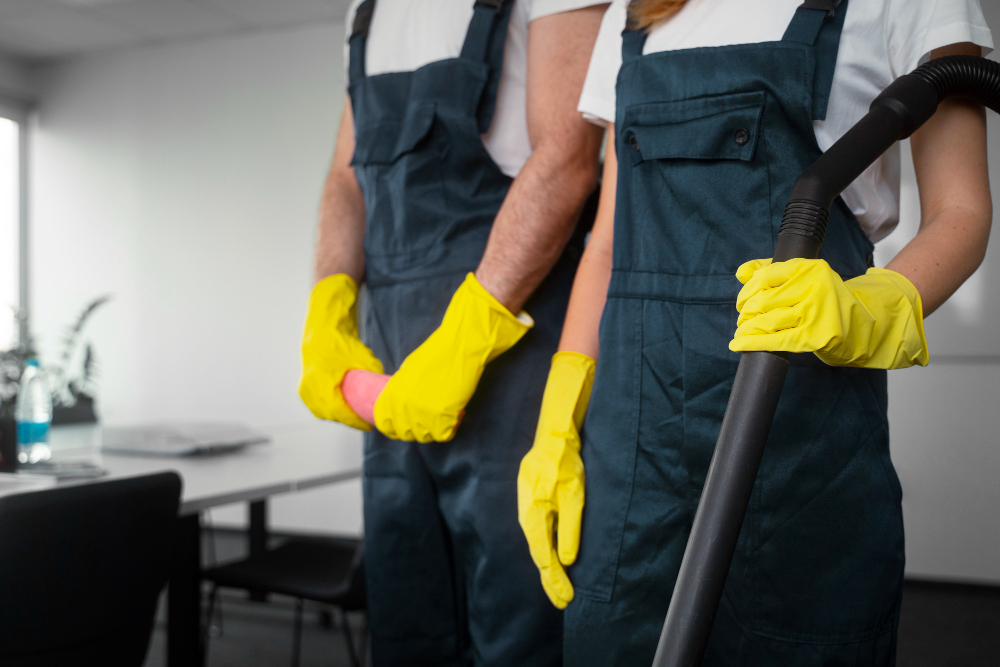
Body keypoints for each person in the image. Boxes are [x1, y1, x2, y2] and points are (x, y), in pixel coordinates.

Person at [516, 0, 993, 664]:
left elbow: (962, 209)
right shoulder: (636, 12)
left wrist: (872, 306)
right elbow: (606, 245)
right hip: (632, 453)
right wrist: (558, 415)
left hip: (800, 445)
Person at [298, 1, 607, 664]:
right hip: (395, 368)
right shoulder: (364, 10)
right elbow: (344, 179)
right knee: (406, 603)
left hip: (515, 350)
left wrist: (469, 331)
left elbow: (567, 158)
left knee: (520, 614)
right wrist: (328, 306)